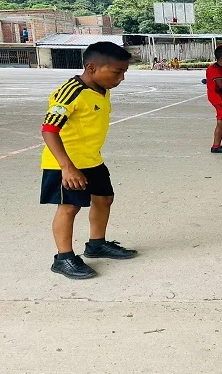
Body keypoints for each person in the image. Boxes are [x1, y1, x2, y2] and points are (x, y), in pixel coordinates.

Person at [40, 42, 136, 279]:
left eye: (124, 72)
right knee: (69, 207)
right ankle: (63, 258)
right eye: (117, 72)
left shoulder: (103, 89)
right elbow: (49, 130)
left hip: (92, 159)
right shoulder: (70, 92)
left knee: (104, 199)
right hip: (65, 163)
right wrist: (67, 167)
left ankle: (96, 244)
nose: (122, 78)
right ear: (92, 67)